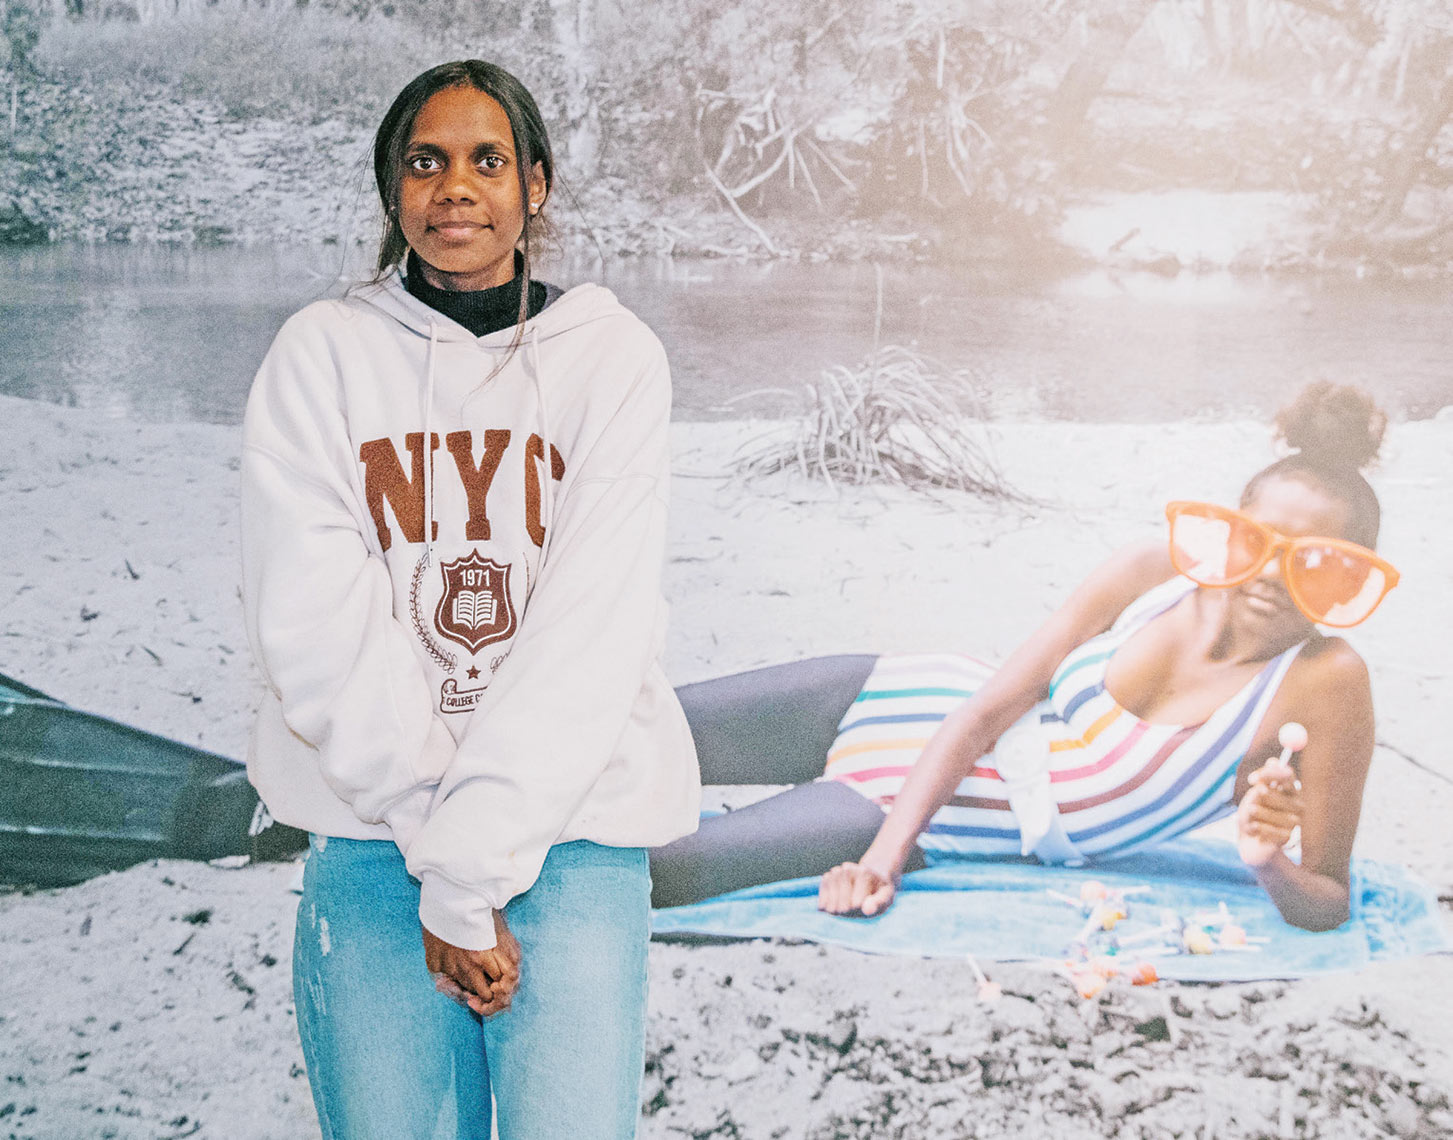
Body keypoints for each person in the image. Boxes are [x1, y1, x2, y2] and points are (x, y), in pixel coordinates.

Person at [240, 60, 700, 1140]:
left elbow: (592, 631)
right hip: (373, 836)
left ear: (534, 184)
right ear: (392, 189)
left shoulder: (613, 359)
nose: (455, 186)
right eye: (425, 161)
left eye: (487, 160)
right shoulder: (320, 356)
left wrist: (474, 866)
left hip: (575, 833)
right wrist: (443, 866)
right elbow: (314, 624)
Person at [651, 383, 1397, 934]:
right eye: (1259, 543)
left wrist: (1266, 862)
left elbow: (1329, 900)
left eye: (1315, 561)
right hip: (898, 698)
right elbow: (986, 710)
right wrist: (881, 859)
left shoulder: (1324, 681)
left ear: (1353, 577)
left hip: (928, 814)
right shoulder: (1154, 571)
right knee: (618, 729)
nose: (1273, 575)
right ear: (1232, 531)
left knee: (643, 870)